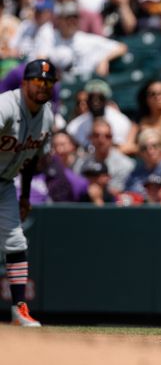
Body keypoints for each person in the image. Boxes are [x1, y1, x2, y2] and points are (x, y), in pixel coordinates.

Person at [0, 59, 59, 327]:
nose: (42, 87)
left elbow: (31, 158)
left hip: (5, 184)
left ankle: (19, 309)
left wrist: (25, 196)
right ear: (24, 82)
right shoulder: (6, 105)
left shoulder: (47, 115)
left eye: (48, 82)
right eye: (37, 81)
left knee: (16, 243)